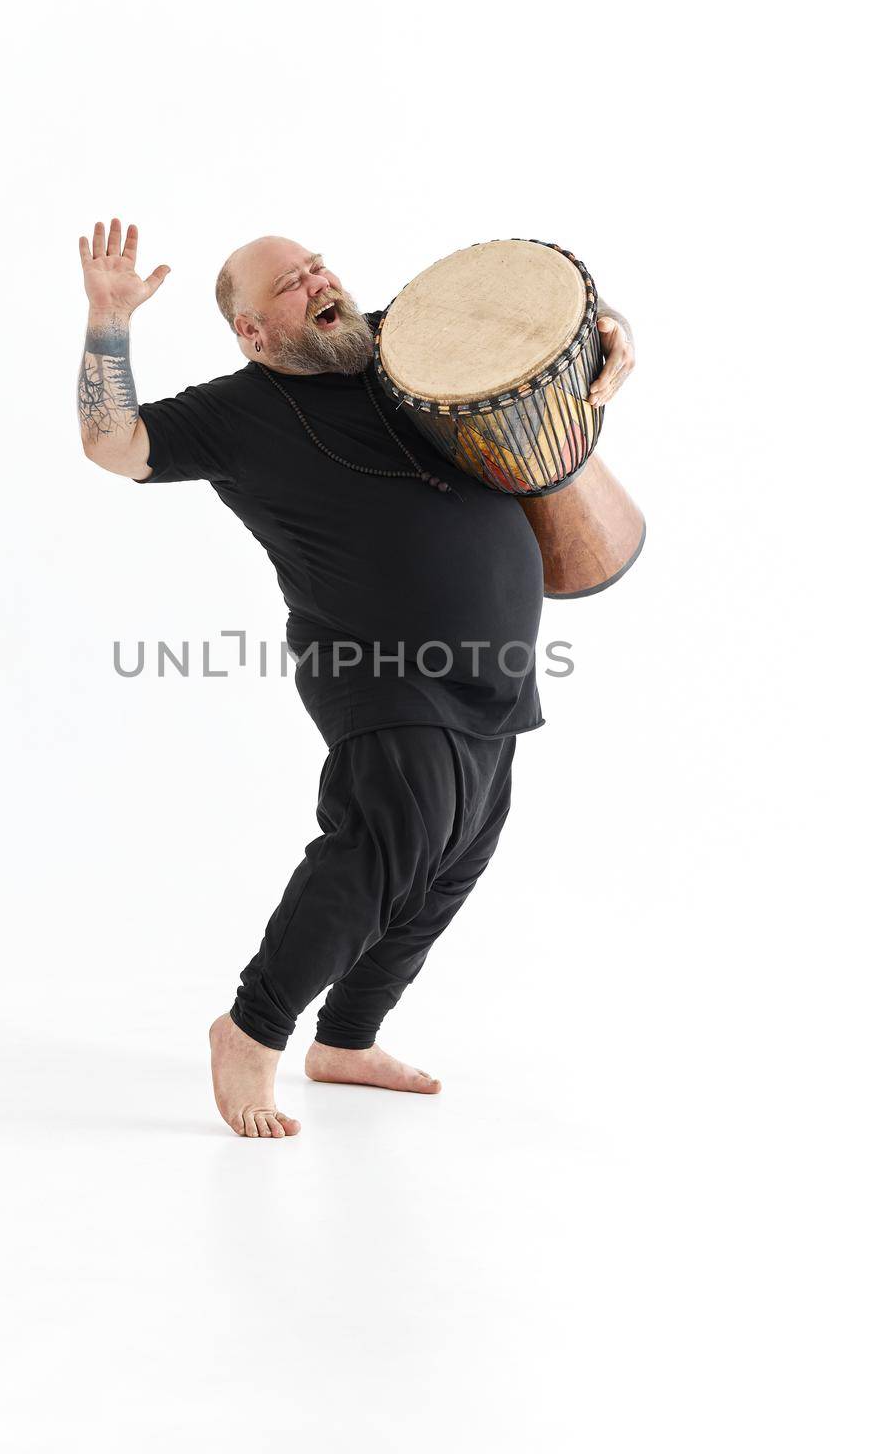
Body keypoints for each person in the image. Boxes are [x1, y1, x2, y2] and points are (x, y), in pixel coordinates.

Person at [77, 218, 635, 1138]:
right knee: (386, 842)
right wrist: (109, 321)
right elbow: (113, 445)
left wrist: (609, 330)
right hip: (372, 663)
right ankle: (251, 1030)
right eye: (289, 285)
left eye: (315, 265)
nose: (317, 281)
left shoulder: (404, 349)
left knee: (453, 861)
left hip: (491, 667)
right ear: (252, 332)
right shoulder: (232, 411)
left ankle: (345, 1039)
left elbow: (539, 323)